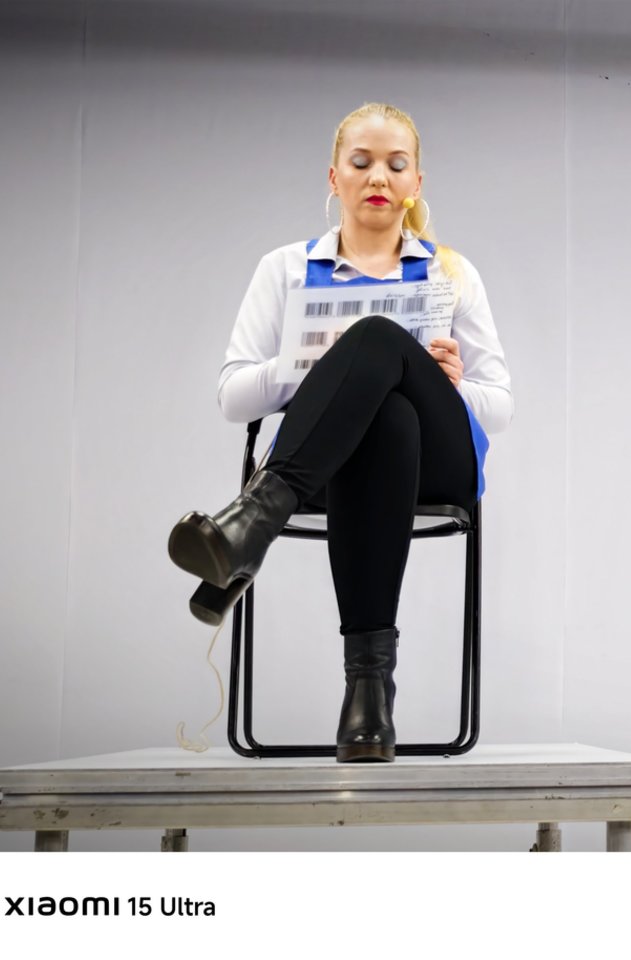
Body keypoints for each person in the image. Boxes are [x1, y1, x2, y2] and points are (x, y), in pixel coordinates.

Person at [168, 102, 512, 763]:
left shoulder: (452, 273)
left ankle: (252, 522)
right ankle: (369, 694)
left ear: (416, 182)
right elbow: (233, 396)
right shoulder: (285, 268)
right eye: (360, 162)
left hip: (439, 464)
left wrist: (453, 383)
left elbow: (499, 407)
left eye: (396, 164)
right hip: (331, 466)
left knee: (377, 338)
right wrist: (312, 364)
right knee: (385, 417)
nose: (378, 176)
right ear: (334, 178)